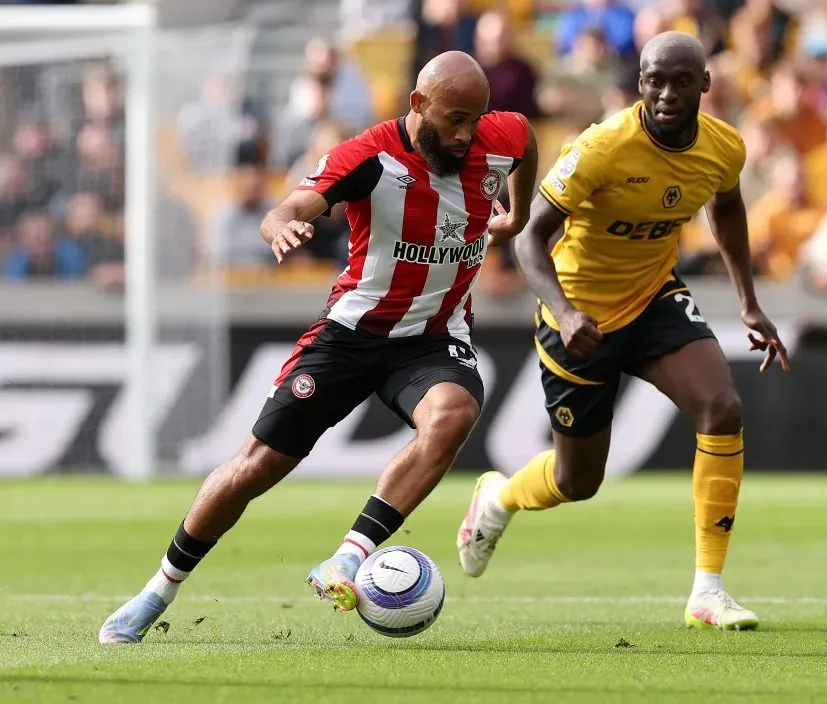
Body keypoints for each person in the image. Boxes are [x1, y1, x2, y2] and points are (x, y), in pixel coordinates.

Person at [99, 51, 538, 644]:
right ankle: (158, 589)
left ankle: (348, 558)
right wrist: (280, 225)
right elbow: (287, 207)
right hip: (351, 335)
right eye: (454, 119)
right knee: (258, 464)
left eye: (475, 119)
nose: (466, 134)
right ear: (418, 104)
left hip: (434, 338)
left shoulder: (499, 136)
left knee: (453, 414)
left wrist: (518, 214)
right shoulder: (369, 156)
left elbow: (525, 140)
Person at [456, 32, 788, 631]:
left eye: (681, 81)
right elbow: (530, 239)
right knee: (576, 480)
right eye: (655, 81)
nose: (667, 94)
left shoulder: (724, 147)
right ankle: (499, 498)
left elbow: (726, 206)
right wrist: (565, 312)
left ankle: (708, 591)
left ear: (704, 85)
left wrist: (748, 303)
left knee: (723, 409)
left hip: (655, 298)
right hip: (579, 315)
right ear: (640, 84)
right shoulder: (602, 147)